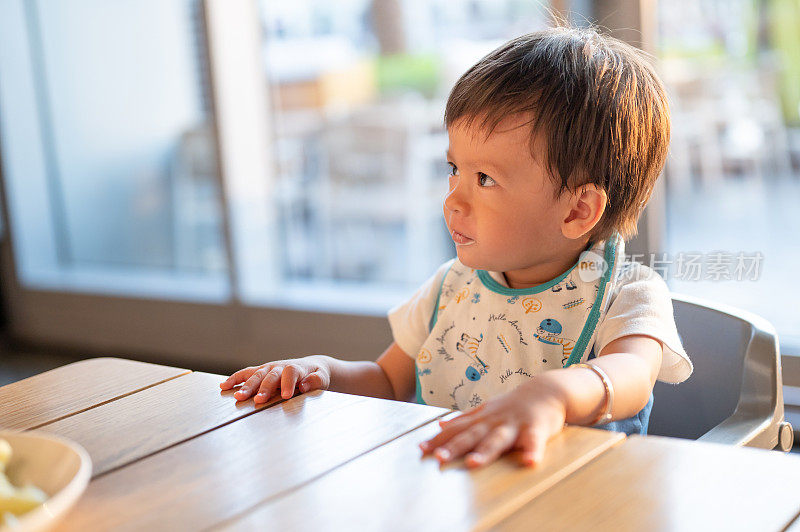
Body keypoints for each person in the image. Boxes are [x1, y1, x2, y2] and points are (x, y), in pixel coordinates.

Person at [220, 24, 693, 469]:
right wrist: (320, 370)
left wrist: (552, 395)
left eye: (484, 178)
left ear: (576, 211)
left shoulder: (626, 293)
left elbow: (631, 376)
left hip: (583, 498)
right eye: (454, 170)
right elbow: (387, 382)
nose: (453, 200)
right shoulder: (452, 287)